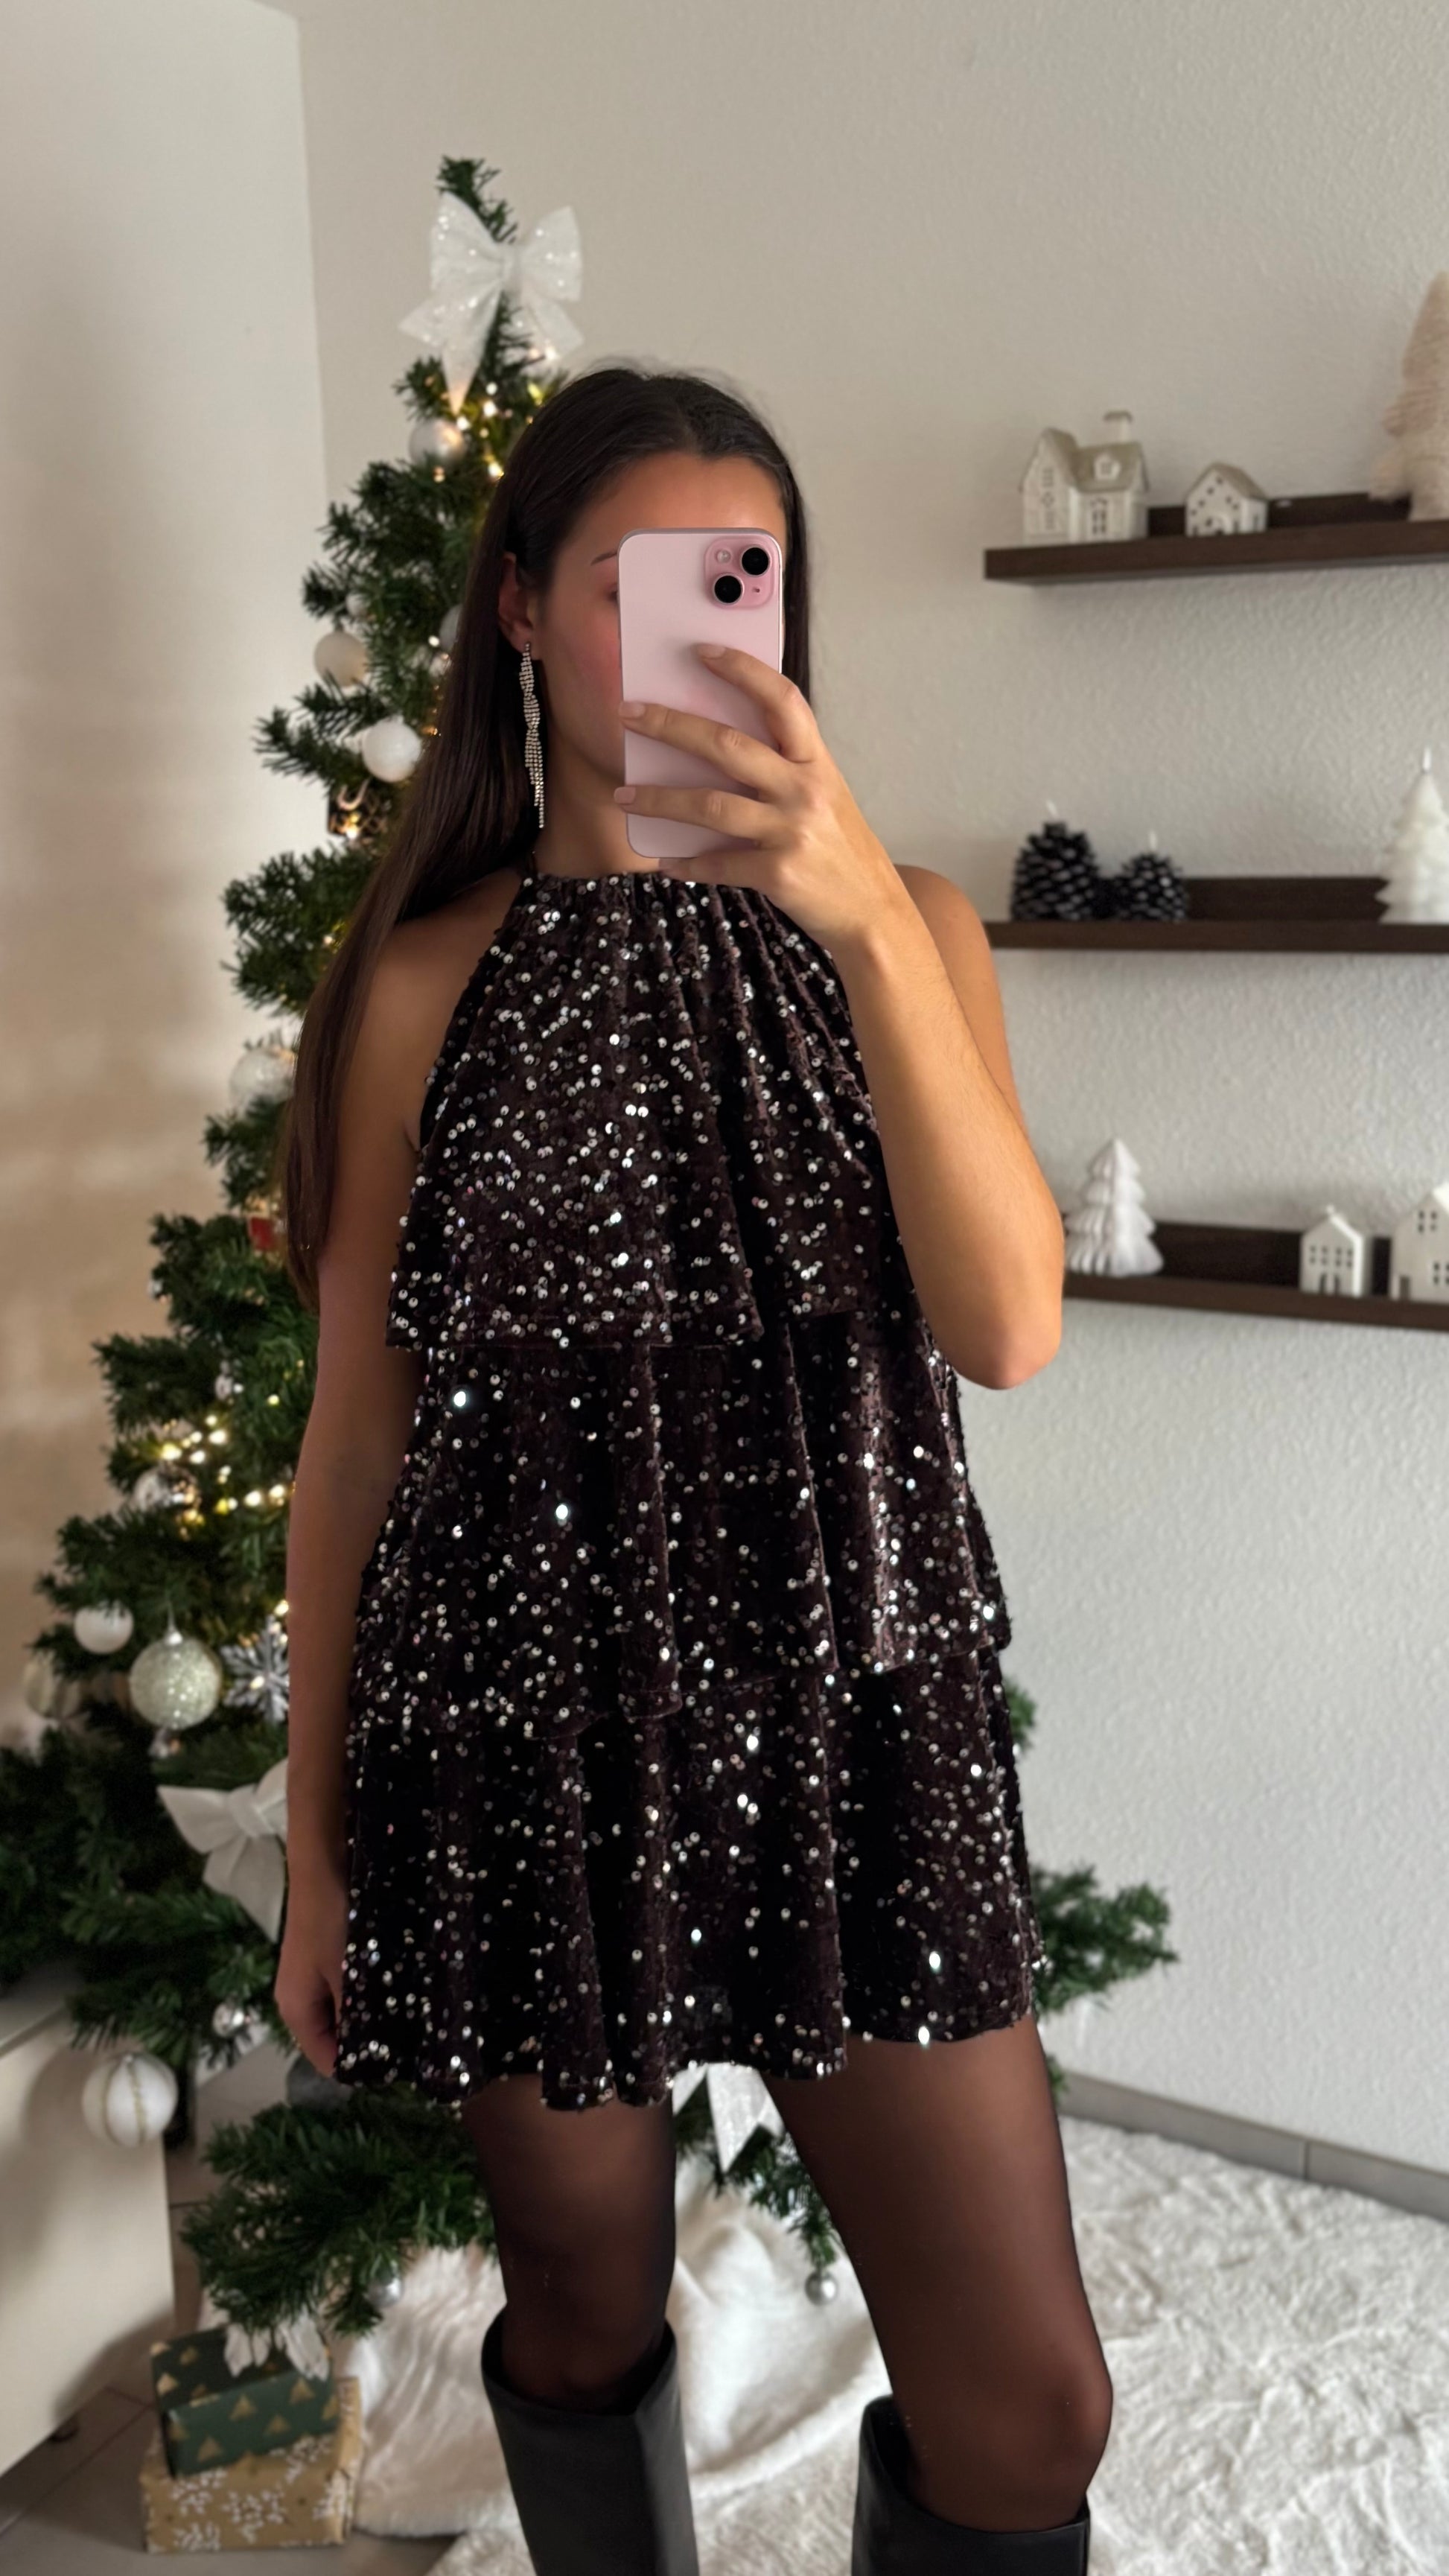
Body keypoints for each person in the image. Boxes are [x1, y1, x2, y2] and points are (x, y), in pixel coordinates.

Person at [274, 361, 1112, 2574]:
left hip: (854, 1734)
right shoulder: (418, 985)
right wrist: (318, 1845)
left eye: (743, 582)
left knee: (1030, 2409)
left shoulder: (908, 929)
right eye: (642, 583)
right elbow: (356, 1437)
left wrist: (852, 917)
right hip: (522, 1737)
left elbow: (1010, 1325)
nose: (701, 633)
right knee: (578, 2310)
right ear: (525, 606)